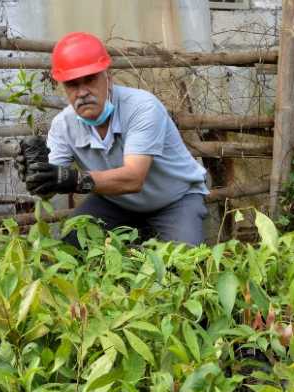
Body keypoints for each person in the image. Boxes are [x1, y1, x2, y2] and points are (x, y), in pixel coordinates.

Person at [19, 32, 209, 246]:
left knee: (185, 263)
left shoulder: (141, 107)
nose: (82, 92)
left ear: (108, 78)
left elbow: (134, 178)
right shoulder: (64, 125)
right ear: (64, 88)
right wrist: (37, 176)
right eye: (72, 84)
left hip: (174, 199)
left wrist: (73, 179)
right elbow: (51, 186)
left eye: (90, 79)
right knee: (73, 244)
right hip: (116, 202)